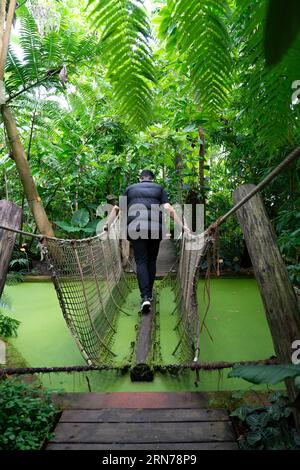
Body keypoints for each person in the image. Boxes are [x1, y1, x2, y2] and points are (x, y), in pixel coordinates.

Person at [104, 169, 187, 313]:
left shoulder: (130, 189)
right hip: (156, 230)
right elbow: (168, 208)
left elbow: (117, 209)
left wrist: (107, 224)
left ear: (140, 178)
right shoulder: (159, 188)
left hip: (136, 229)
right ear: (152, 179)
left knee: (141, 261)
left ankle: (145, 297)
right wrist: (182, 226)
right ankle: (149, 294)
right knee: (152, 261)